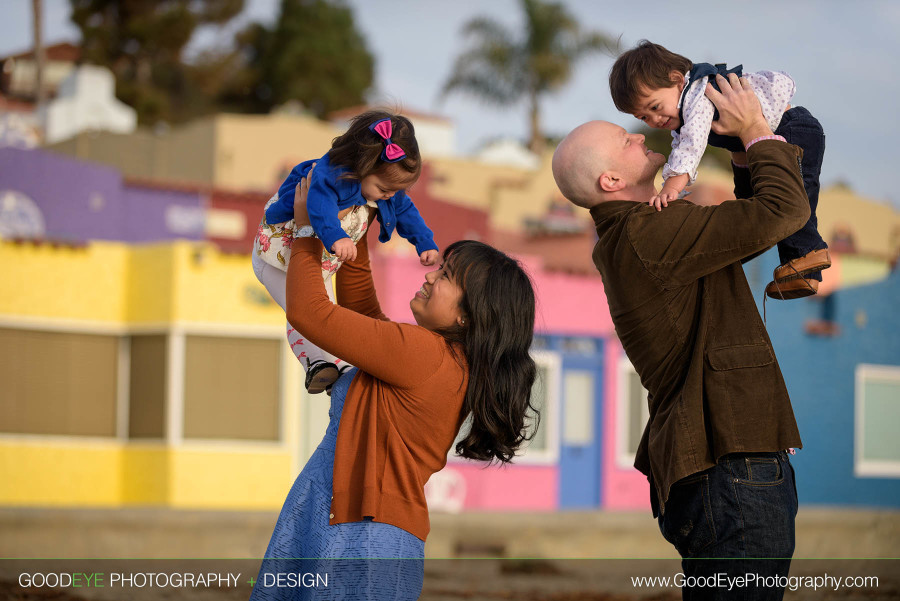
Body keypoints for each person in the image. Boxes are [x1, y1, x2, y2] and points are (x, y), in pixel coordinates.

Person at [552, 74, 804, 600]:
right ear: (610, 182)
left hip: (719, 470)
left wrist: (739, 152)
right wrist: (756, 127)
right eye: (627, 141)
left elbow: (755, 225)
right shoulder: (649, 236)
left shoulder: (641, 234)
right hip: (729, 468)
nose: (642, 136)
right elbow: (785, 212)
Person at [249, 169, 539, 600]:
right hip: (360, 527)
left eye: (445, 278)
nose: (429, 277)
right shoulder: (438, 359)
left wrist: (309, 227)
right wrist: (357, 225)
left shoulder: (424, 355)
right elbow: (363, 311)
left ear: (468, 316)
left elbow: (310, 313)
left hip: (363, 537)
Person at [609, 40, 830, 299]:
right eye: (644, 117)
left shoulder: (697, 97)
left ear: (678, 80)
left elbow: (691, 146)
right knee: (753, 207)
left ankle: (806, 258)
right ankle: (795, 265)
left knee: (796, 196)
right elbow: (682, 146)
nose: (655, 120)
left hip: (792, 129)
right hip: (757, 145)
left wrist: (671, 188)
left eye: (655, 107)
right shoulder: (681, 114)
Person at [252, 110, 439, 393]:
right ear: (362, 166)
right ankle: (319, 363)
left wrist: (425, 242)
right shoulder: (328, 176)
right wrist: (336, 235)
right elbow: (319, 207)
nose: (389, 195)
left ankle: (331, 368)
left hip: (318, 265)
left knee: (324, 314)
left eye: (394, 190)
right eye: (384, 189)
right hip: (275, 260)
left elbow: (406, 212)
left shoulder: (385, 188)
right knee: (302, 309)